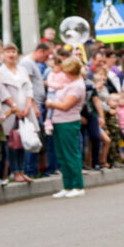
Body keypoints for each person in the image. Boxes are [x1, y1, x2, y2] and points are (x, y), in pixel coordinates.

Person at [0, 43, 38, 183]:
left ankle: (22, 170)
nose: (11, 54)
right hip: (10, 110)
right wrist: (14, 106)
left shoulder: (22, 70)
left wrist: (28, 105)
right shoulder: (0, 71)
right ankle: (15, 171)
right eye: (7, 51)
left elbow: (29, 88)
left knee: (24, 138)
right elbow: (2, 91)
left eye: (13, 51)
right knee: (13, 141)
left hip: (25, 108)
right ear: (3, 54)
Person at [46, 57, 86, 198]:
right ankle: (68, 186)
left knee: (71, 154)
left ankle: (78, 185)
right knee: (62, 155)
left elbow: (65, 105)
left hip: (68, 122)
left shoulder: (77, 86)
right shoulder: (70, 83)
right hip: (59, 122)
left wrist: (51, 103)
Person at [19, 42, 49, 177]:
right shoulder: (27, 62)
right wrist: (34, 106)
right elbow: (28, 85)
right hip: (33, 105)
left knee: (38, 138)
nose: (46, 59)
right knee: (32, 137)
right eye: (46, 56)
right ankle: (29, 170)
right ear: (40, 51)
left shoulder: (32, 62)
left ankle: (33, 170)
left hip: (37, 104)